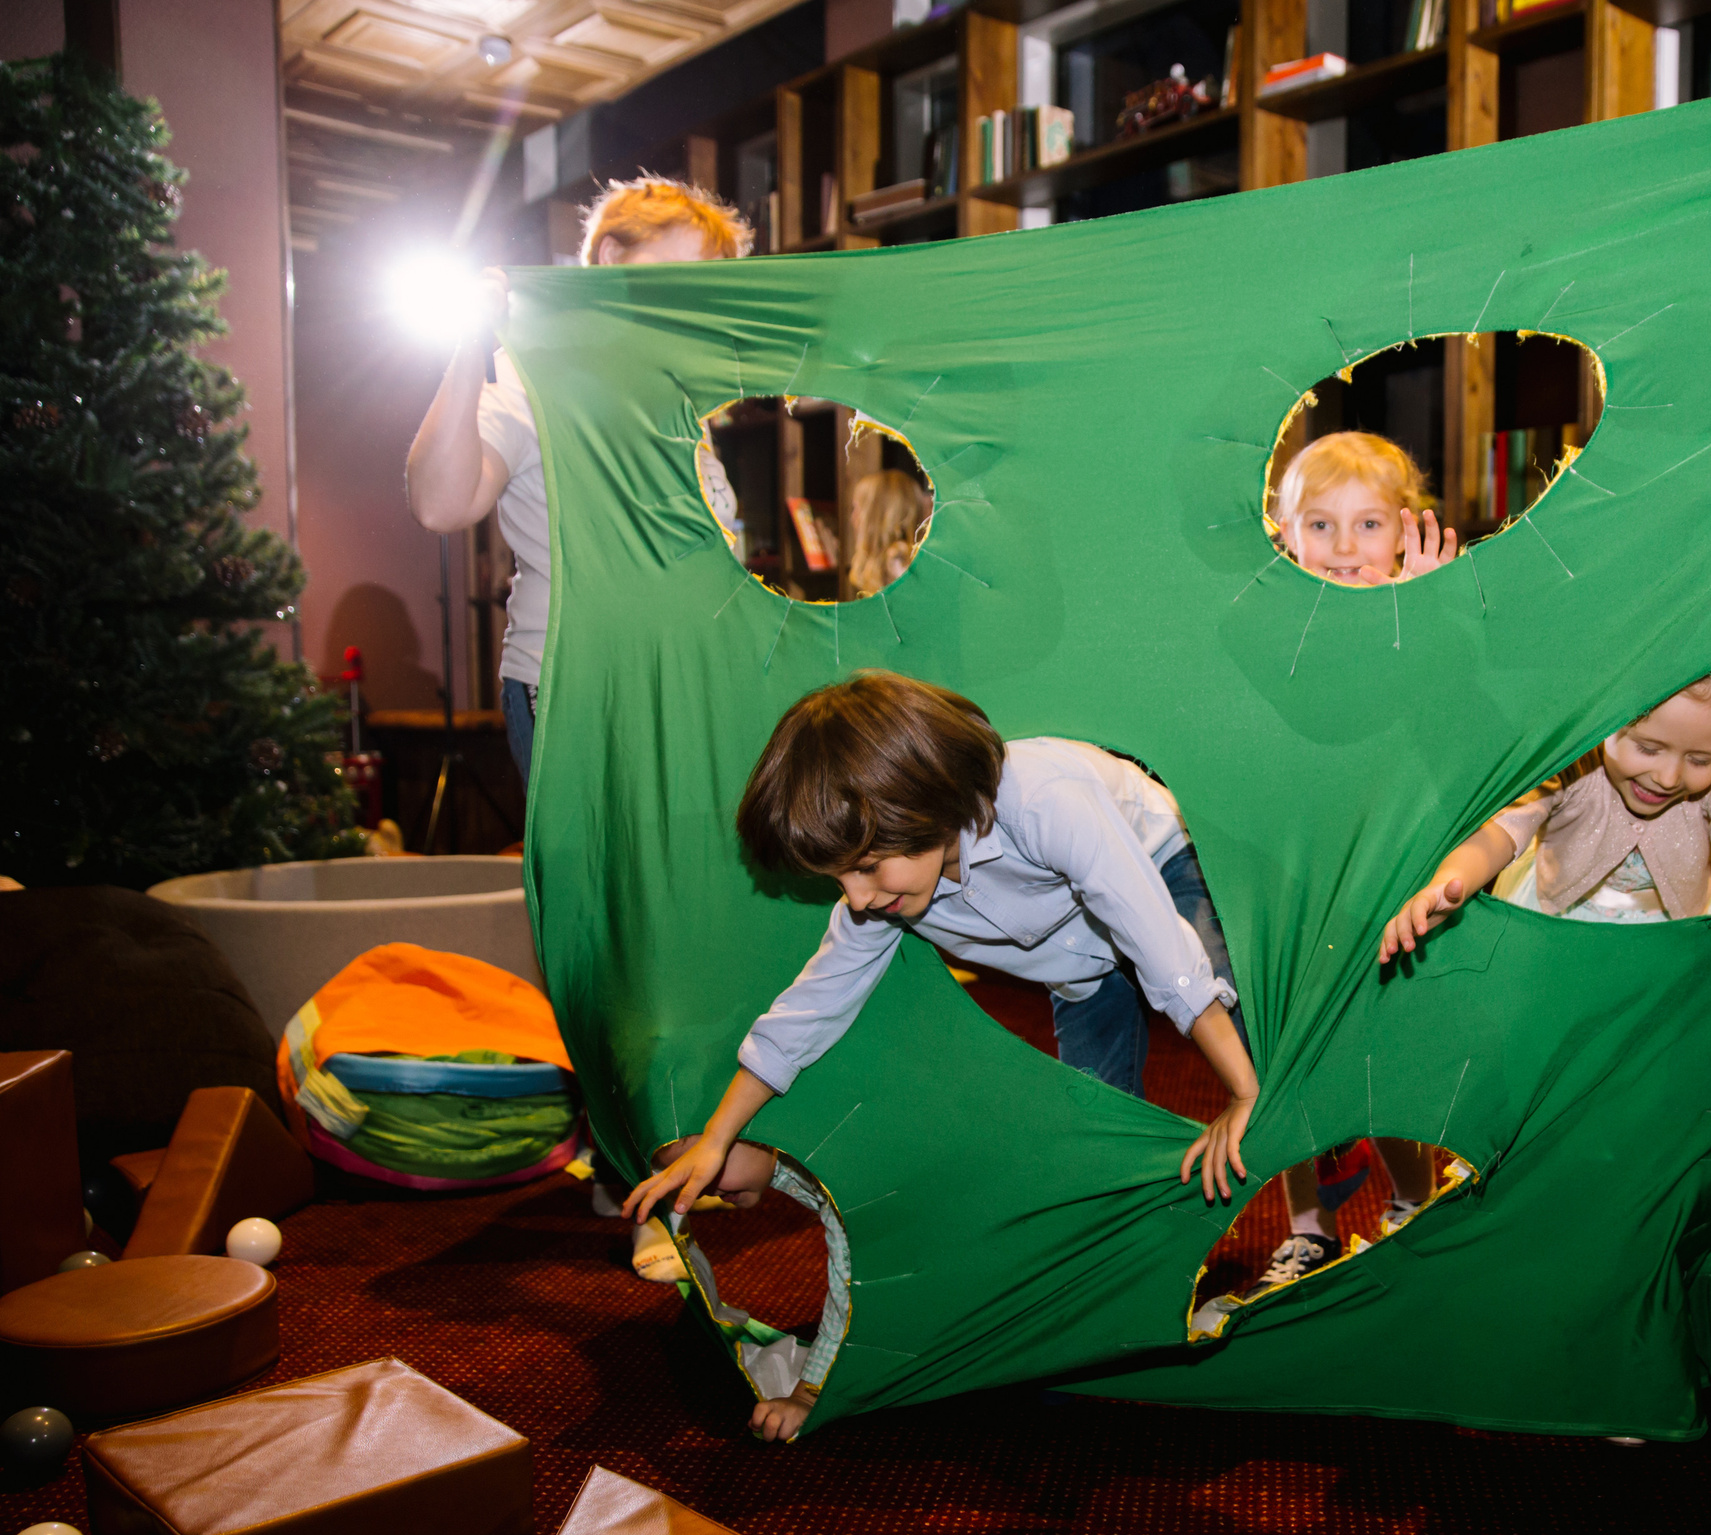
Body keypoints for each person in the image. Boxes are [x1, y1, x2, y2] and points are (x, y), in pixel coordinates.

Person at [622, 671, 1262, 1440]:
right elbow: (805, 1012)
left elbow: (1160, 946)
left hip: (1157, 871)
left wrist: (1240, 1091)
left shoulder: (1043, 798)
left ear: (923, 803)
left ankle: (1311, 1206)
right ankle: (1092, 1319)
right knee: (1088, 1143)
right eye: (840, 877)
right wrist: (717, 1139)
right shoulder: (885, 894)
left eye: (866, 867)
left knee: (1245, 1039)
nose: (858, 895)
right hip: (1078, 965)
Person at [1256, 656, 1711, 1299]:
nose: (1669, 776)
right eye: (1647, 747)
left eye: (1700, 759)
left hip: (1666, 962)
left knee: (1651, 1116)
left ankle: (1635, 1253)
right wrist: (1451, 884)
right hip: (1559, 951)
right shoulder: (1575, 741)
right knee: (1543, 1115)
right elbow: (1506, 827)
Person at [406, 174, 754, 783]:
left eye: (705, 289)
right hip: (582, 692)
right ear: (612, 256)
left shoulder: (678, 398)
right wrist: (470, 347)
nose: (689, 303)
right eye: (678, 276)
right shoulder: (534, 377)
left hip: (687, 689)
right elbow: (440, 504)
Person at [1270, 431, 1462, 587]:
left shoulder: (1415, 607)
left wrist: (1422, 603)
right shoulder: (1276, 611)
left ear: (1402, 534)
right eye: (1320, 525)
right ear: (1290, 535)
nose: (1344, 547)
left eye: (1369, 524)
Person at [842, 467, 929, 598]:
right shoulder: (892, 561)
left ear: (874, 516)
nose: (853, 518)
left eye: (857, 509)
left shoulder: (898, 562)